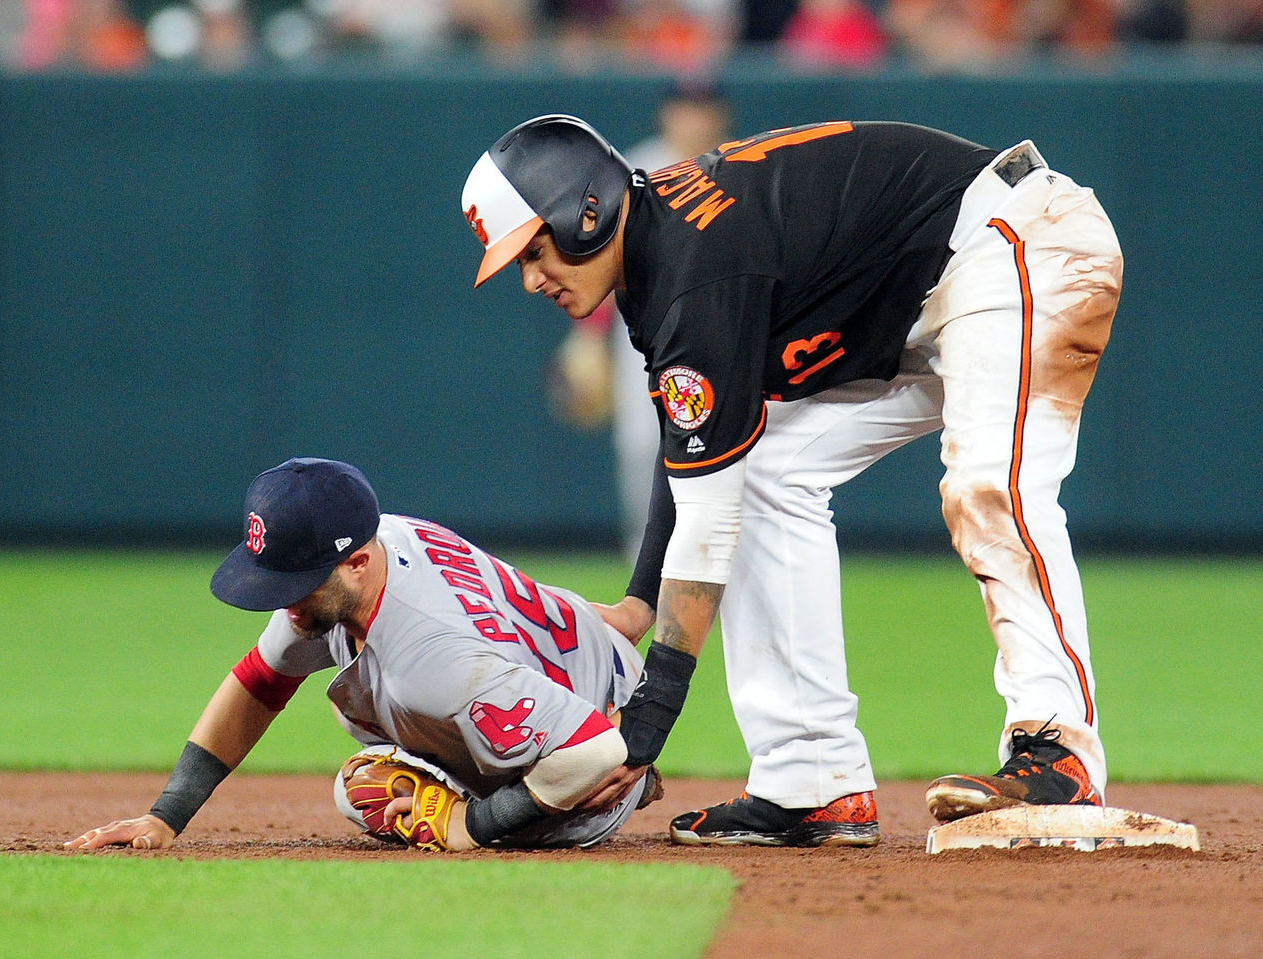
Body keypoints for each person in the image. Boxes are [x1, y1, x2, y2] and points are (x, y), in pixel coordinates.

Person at [460, 114, 1122, 847]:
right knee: (766, 467)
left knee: (990, 485)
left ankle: (1059, 749)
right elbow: (700, 448)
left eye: (532, 250)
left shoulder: (694, 262)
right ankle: (809, 780)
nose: (528, 278)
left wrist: (648, 721)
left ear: (583, 213)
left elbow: (706, 518)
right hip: (919, 295)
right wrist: (641, 602)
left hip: (1017, 240)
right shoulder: (662, 259)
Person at [65, 457, 659, 854]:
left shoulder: (433, 659)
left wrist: (472, 825)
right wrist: (167, 814)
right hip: (561, 674)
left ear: (358, 562)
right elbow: (259, 683)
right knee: (367, 778)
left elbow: (598, 750)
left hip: (586, 781)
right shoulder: (365, 547)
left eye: (298, 581)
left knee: (366, 777)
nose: (285, 601)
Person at [549, 81, 733, 558]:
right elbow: (600, 258)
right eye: (686, 108)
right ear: (666, 115)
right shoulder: (633, 169)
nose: (695, 119)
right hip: (642, 330)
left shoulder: (740, 164)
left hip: (721, 327)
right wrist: (587, 339)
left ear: (721, 117)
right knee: (642, 442)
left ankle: (716, 547)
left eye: (705, 109)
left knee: (721, 437)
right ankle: (646, 556)